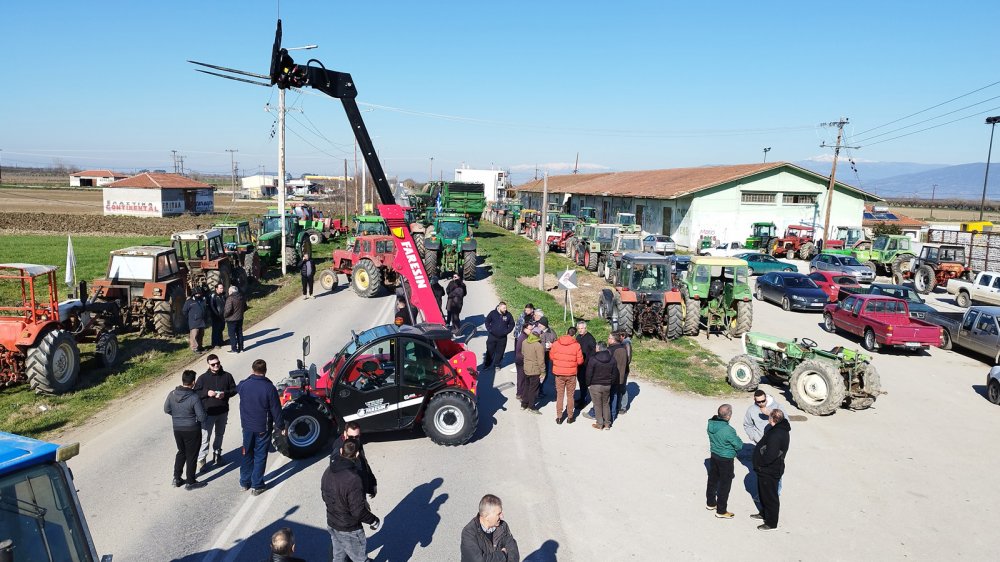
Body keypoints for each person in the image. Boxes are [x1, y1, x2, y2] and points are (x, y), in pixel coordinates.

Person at [322, 438, 380, 562]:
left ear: (341, 450)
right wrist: (374, 520)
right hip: (349, 528)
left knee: (338, 557)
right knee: (360, 559)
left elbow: (324, 496)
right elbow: (358, 511)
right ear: (357, 454)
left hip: (332, 523)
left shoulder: (328, 471)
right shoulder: (353, 479)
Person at [237, 359, 285, 495]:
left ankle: (244, 482)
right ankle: (257, 485)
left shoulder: (244, 385)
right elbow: (276, 410)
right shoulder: (269, 388)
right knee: (260, 455)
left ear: (252, 370)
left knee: (247, 453)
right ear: (265, 371)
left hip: (247, 427)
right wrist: (281, 426)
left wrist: (251, 377)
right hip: (262, 428)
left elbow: (238, 386)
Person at [163, 369, 207, 490]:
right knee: (192, 455)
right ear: (193, 382)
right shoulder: (194, 397)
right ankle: (190, 481)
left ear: (183, 380)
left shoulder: (172, 394)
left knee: (181, 452)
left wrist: (178, 415)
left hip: (177, 429)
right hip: (192, 429)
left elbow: (166, 409)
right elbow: (202, 417)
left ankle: (177, 478)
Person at [194, 354, 237, 472]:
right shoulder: (202, 378)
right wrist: (207, 393)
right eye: (213, 364)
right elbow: (196, 392)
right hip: (208, 413)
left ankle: (217, 454)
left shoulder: (227, 376)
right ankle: (201, 460)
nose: (216, 365)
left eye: (217, 363)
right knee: (205, 437)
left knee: (219, 434)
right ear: (208, 365)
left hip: (222, 412)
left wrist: (225, 394)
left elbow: (234, 390)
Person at [752, 409, 791, 530]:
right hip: (767, 470)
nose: (768, 419)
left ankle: (771, 522)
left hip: (769, 470)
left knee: (770, 497)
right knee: (764, 494)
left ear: (773, 419)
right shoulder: (779, 429)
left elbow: (771, 455)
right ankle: (764, 513)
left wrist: (760, 464)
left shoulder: (776, 434)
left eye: (769, 417)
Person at [706, 404, 744, 519]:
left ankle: (711, 503)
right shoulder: (728, 430)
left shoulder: (711, 423)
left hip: (714, 455)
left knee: (712, 479)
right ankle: (721, 510)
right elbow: (739, 445)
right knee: (724, 484)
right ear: (728, 416)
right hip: (725, 459)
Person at [460, 494, 519, 562]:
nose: (502, 516)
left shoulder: (503, 526)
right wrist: (503, 555)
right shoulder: (469, 533)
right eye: (498, 514)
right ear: (486, 516)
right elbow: (478, 560)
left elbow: (513, 551)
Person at [330, 421, 377, 498]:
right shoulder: (338, 448)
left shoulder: (356, 443)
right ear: (345, 434)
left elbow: (364, 463)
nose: (354, 439)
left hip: (360, 490)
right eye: (351, 437)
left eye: (357, 436)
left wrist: (372, 484)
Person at [549, 326, 583, 424]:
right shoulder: (576, 345)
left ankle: (559, 417)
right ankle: (570, 416)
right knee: (570, 396)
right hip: (571, 374)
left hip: (559, 373)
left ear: (566, 332)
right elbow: (580, 361)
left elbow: (551, 357)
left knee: (560, 395)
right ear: (574, 334)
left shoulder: (556, 343)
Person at [585, 342, 618, 430]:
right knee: (606, 404)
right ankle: (607, 424)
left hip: (595, 385)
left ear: (598, 348)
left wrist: (588, 384)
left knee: (597, 405)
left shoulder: (593, 359)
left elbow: (589, 373)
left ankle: (600, 424)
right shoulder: (612, 359)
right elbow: (615, 374)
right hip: (607, 385)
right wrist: (611, 383)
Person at [483, 302, 515, 370]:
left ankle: (497, 364)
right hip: (492, 336)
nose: (505, 309)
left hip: (502, 338)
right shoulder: (493, 313)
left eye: (506, 308)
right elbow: (487, 321)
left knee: (500, 352)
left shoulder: (508, 315)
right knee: (489, 351)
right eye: (504, 308)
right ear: (499, 307)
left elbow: (512, 324)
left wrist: (507, 331)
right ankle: (487, 364)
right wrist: (490, 330)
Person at [520, 327, 545, 414]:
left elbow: (522, 353)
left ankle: (524, 404)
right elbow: (541, 361)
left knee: (526, 386)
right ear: (538, 335)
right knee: (533, 389)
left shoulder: (524, 342)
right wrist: (543, 371)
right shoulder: (538, 346)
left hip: (526, 368)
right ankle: (531, 406)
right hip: (535, 370)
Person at [574, 321, 597, 409]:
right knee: (580, 382)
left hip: (586, 365)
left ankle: (583, 401)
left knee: (584, 383)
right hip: (579, 364)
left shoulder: (590, 338)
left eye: (582, 328)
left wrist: (588, 362)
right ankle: (582, 397)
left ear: (585, 328)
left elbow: (593, 352)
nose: (580, 330)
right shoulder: (578, 337)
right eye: (579, 328)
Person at [609, 332, 631, 417]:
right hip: (621, 371)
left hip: (622, 372)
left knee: (621, 389)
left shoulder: (626, 345)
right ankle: (618, 407)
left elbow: (627, 359)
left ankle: (622, 407)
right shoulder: (622, 346)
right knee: (618, 390)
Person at [182, 288, 208, 352]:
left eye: (199, 293)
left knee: (201, 335)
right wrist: (191, 318)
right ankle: (194, 348)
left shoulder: (202, 300)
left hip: (201, 321)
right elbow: (184, 311)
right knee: (194, 335)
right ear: (193, 294)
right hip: (194, 322)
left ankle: (200, 346)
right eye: (196, 294)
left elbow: (205, 309)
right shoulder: (189, 302)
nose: (198, 295)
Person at [224, 285, 246, 353]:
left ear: (231, 291)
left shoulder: (230, 298)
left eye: (229, 291)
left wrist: (225, 316)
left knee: (232, 334)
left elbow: (228, 310)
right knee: (239, 333)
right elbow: (245, 306)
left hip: (231, 320)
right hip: (240, 318)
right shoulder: (241, 297)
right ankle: (241, 348)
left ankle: (234, 348)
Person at [513, 321, 529, 401]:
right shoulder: (524, 338)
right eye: (530, 329)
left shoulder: (523, 336)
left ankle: (519, 393)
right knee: (522, 378)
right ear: (525, 329)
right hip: (521, 360)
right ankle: (520, 394)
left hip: (519, 359)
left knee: (520, 377)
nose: (531, 331)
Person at [209, 283, 227, 349]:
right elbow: (212, 306)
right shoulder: (213, 296)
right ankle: (215, 344)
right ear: (216, 289)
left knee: (221, 328)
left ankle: (220, 341)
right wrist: (216, 314)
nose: (222, 289)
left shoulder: (223, 295)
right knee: (216, 330)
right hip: (216, 316)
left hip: (223, 316)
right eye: (221, 288)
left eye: (222, 288)